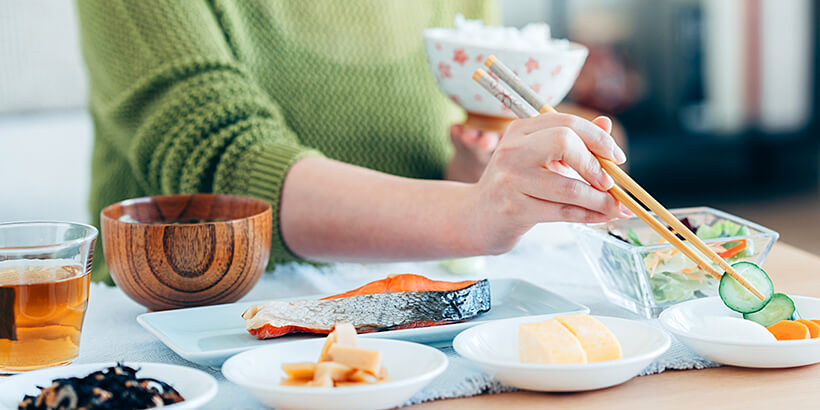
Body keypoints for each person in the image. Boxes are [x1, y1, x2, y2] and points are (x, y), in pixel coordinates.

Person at [77, 0, 630, 284]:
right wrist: (474, 211)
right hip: (195, 317)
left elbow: (445, 156)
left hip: (418, 307)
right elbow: (222, 164)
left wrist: (472, 170)